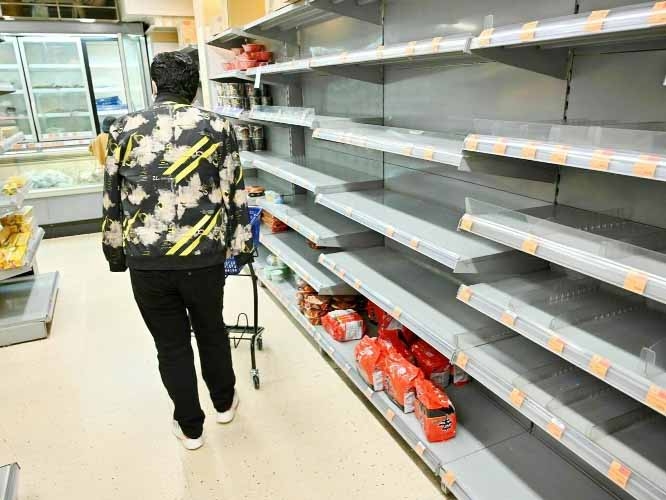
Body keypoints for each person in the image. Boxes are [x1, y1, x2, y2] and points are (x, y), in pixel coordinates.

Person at [102, 51, 253, 451]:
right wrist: (241, 247)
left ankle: (190, 427)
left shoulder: (123, 127)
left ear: (155, 85)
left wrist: (115, 254)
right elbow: (234, 192)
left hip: (147, 259)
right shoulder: (218, 126)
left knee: (170, 344)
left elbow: (112, 198)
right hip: (203, 256)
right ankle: (224, 403)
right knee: (211, 329)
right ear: (196, 87)